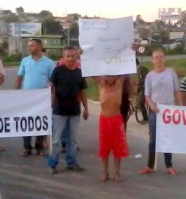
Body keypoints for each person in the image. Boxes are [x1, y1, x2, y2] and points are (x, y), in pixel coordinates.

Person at [139, 49, 181, 176]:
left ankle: (169, 165)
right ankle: (150, 165)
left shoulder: (171, 73)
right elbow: (147, 95)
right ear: (152, 60)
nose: (159, 60)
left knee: (167, 138)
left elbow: (177, 91)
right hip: (155, 110)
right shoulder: (150, 76)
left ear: (164, 58)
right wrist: (151, 106)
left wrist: (181, 107)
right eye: (156, 57)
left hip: (169, 110)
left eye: (161, 57)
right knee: (153, 139)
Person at [48, 46, 88, 174]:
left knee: (73, 139)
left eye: (73, 56)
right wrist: (51, 100)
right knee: (56, 139)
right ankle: (53, 164)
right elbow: (51, 87)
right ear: (63, 58)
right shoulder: (58, 70)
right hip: (59, 110)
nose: (71, 59)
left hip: (74, 111)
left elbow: (82, 92)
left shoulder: (80, 72)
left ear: (76, 57)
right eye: (68, 56)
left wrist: (86, 108)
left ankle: (71, 162)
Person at [16, 38, 55, 156]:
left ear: (39, 46)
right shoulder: (25, 61)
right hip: (26, 97)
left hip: (42, 98)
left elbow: (53, 80)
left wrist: (52, 95)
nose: (30, 48)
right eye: (29, 46)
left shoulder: (49, 63)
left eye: (32, 46)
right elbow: (20, 78)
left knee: (41, 122)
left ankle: (39, 147)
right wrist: (14, 94)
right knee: (26, 122)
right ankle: (27, 147)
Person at [95, 76, 130, 182]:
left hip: (117, 120)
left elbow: (126, 72)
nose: (110, 78)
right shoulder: (102, 83)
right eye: (108, 75)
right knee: (104, 147)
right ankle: (105, 172)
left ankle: (117, 172)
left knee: (118, 147)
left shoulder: (119, 84)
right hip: (104, 120)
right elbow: (91, 71)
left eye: (112, 75)